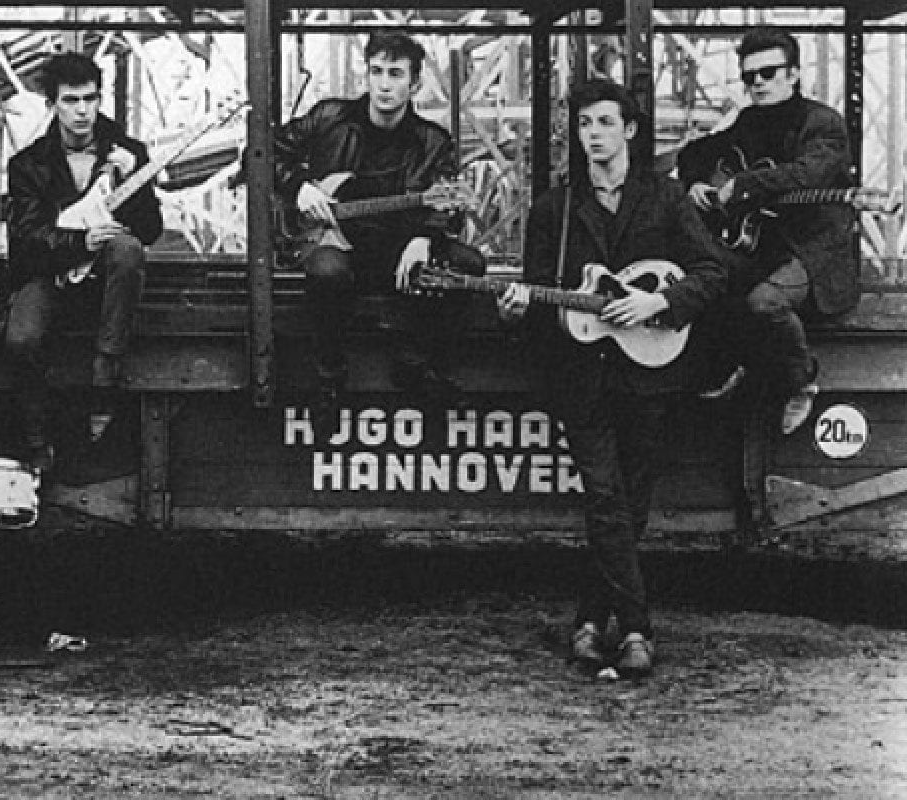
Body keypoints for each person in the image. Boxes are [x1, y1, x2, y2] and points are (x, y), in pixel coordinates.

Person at [497, 80, 727, 677]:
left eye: (604, 122)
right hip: (584, 375)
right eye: (583, 124)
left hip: (653, 369)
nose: (592, 133)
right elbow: (535, 287)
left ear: (629, 130)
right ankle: (639, 629)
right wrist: (519, 306)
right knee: (604, 494)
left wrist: (659, 304)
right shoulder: (556, 209)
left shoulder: (667, 199)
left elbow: (711, 273)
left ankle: (590, 620)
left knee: (630, 500)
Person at [272, 32, 485, 417]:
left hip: (397, 251)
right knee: (327, 270)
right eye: (377, 72)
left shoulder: (433, 142)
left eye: (396, 74)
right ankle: (330, 376)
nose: (385, 84)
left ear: (415, 83)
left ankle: (417, 365)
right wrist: (298, 186)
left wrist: (425, 235)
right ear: (366, 76)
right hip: (333, 243)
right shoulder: (329, 117)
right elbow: (263, 152)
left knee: (468, 264)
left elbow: (447, 201)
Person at [678, 28, 859, 434]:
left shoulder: (823, 123)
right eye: (749, 76)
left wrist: (741, 186)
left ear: (793, 74)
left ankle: (801, 380)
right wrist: (695, 183)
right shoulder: (749, 120)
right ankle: (730, 363)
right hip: (760, 245)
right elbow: (698, 151)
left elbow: (807, 174)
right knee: (702, 277)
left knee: (764, 303)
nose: (757, 83)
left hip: (813, 251)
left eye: (768, 72)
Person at [5, 52, 162, 471]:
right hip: (49, 274)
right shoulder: (26, 165)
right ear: (52, 104)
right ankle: (38, 439)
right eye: (70, 100)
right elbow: (26, 240)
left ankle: (104, 378)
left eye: (89, 99)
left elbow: (149, 231)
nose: (81, 111)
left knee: (127, 249)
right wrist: (81, 240)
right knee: (21, 339)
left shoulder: (129, 153)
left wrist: (134, 180)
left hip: (106, 285)